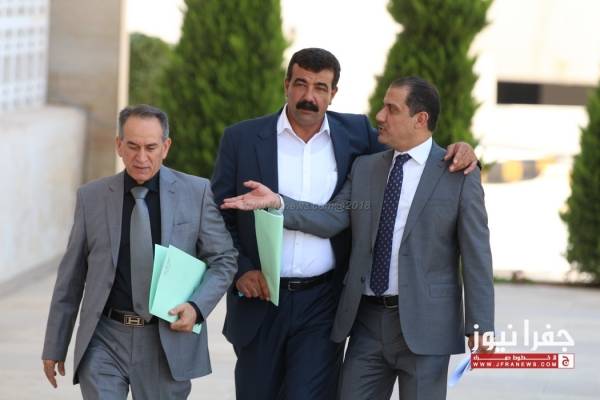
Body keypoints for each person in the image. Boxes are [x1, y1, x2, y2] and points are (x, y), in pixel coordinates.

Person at [212, 48, 478, 400]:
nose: (309, 96)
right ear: (286, 84)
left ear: (333, 93)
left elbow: (415, 150)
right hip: (260, 301)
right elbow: (218, 216)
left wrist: (462, 150)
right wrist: (242, 268)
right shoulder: (242, 138)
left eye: (321, 87)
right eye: (300, 84)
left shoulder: (357, 134)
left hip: (322, 304)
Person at [41, 105, 238, 399]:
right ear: (119, 145)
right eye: (132, 146)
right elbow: (70, 278)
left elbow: (224, 259)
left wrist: (197, 307)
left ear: (166, 147)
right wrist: (55, 345)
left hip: (166, 340)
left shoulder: (196, 193)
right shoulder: (91, 197)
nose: (141, 157)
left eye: (150, 147)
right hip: (104, 339)